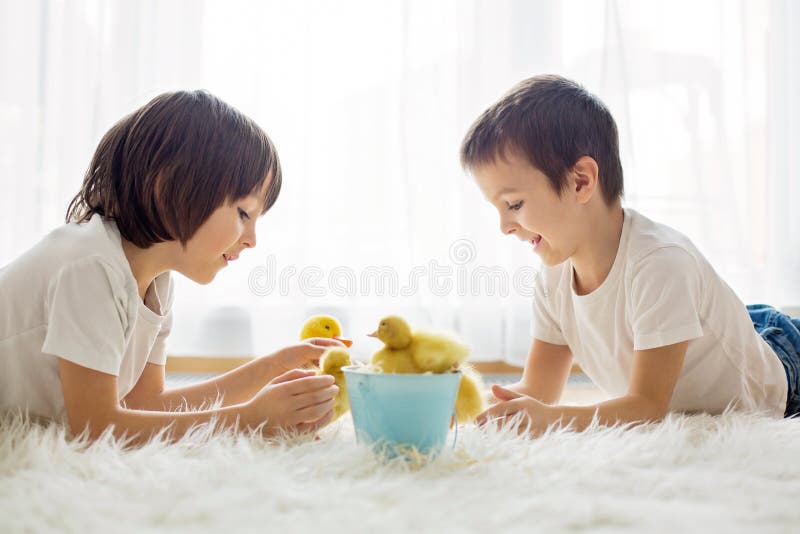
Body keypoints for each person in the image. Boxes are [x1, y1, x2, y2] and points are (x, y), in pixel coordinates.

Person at [460, 74, 800, 434]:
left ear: (581, 181)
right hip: (714, 332)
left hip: (782, 365)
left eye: (514, 204)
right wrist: (462, 404)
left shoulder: (660, 265)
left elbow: (647, 407)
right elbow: (537, 391)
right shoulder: (554, 277)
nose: (504, 226)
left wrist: (553, 420)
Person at [0, 90, 341, 443]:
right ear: (170, 186)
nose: (252, 239)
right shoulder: (91, 266)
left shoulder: (157, 283)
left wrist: (273, 367)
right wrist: (249, 419)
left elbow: (146, 403)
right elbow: (96, 428)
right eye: (243, 213)